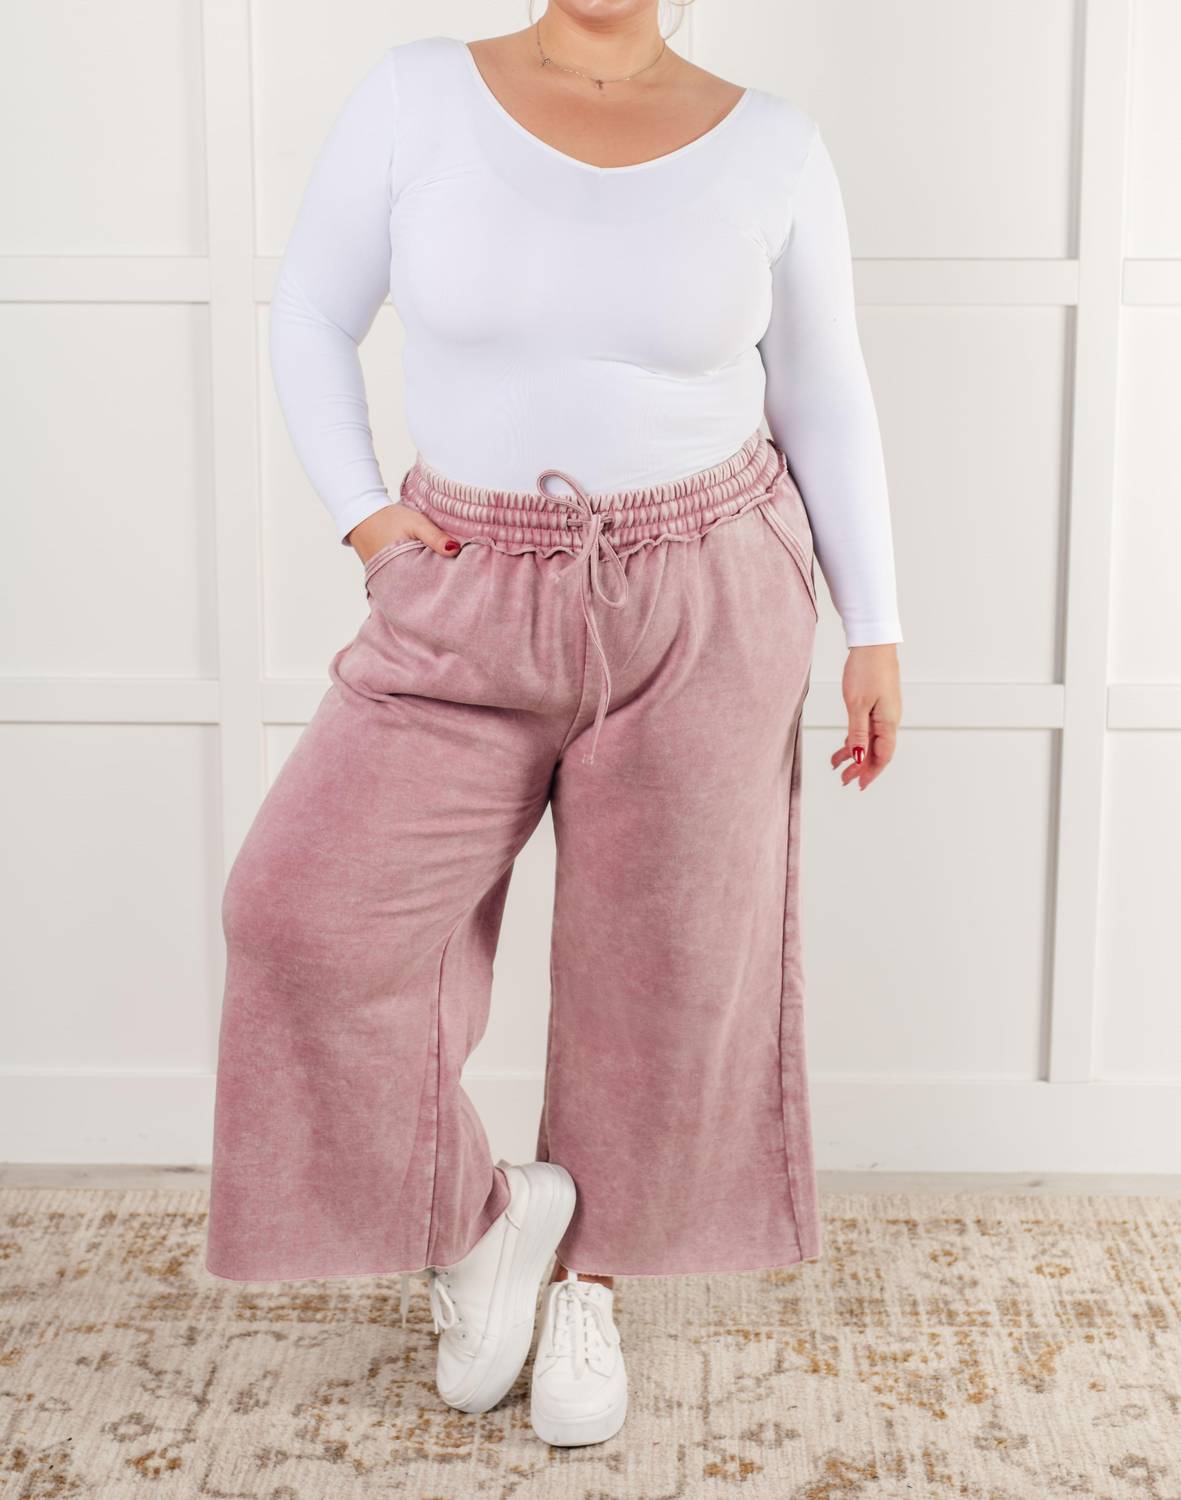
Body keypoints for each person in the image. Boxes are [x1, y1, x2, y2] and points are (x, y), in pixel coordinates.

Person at [203, 0, 903, 1450]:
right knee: (300, 916)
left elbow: (822, 391)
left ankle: (592, 1280)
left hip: (711, 590)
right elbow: (310, 311)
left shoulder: (772, 145)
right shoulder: (415, 97)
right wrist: (366, 517)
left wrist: (873, 625)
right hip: (463, 583)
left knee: (663, 968)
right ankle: (483, 1228)